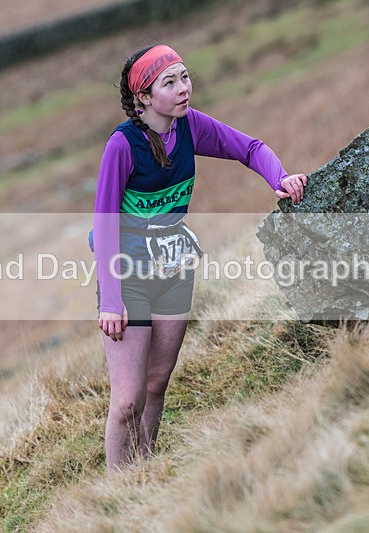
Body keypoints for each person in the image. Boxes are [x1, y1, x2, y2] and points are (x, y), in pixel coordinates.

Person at [92, 44, 307, 472]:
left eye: (184, 77)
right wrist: (110, 300)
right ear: (144, 98)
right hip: (128, 275)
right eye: (169, 82)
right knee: (127, 398)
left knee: (157, 383)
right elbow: (104, 224)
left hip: (174, 269)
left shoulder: (190, 127)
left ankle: (144, 471)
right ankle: (115, 492)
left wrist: (279, 177)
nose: (183, 88)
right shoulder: (122, 145)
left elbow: (250, 148)